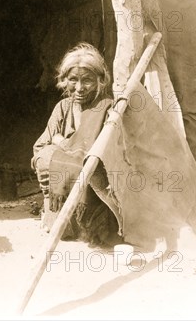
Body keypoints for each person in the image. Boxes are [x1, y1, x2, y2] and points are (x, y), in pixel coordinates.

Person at [31, 43, 120, 246]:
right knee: (47, 157)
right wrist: (68, 150)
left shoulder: (107, 108)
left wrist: (62, 142)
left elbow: (108, 152)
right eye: (73, 80)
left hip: (95, 187)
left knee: (83, 165)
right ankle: (55, 214)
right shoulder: (63, 107)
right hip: (65, 184)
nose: (79, 88)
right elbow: (40, 147)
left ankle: (92, 223)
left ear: (100, 80)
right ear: (64, 80)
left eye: (87, 80)